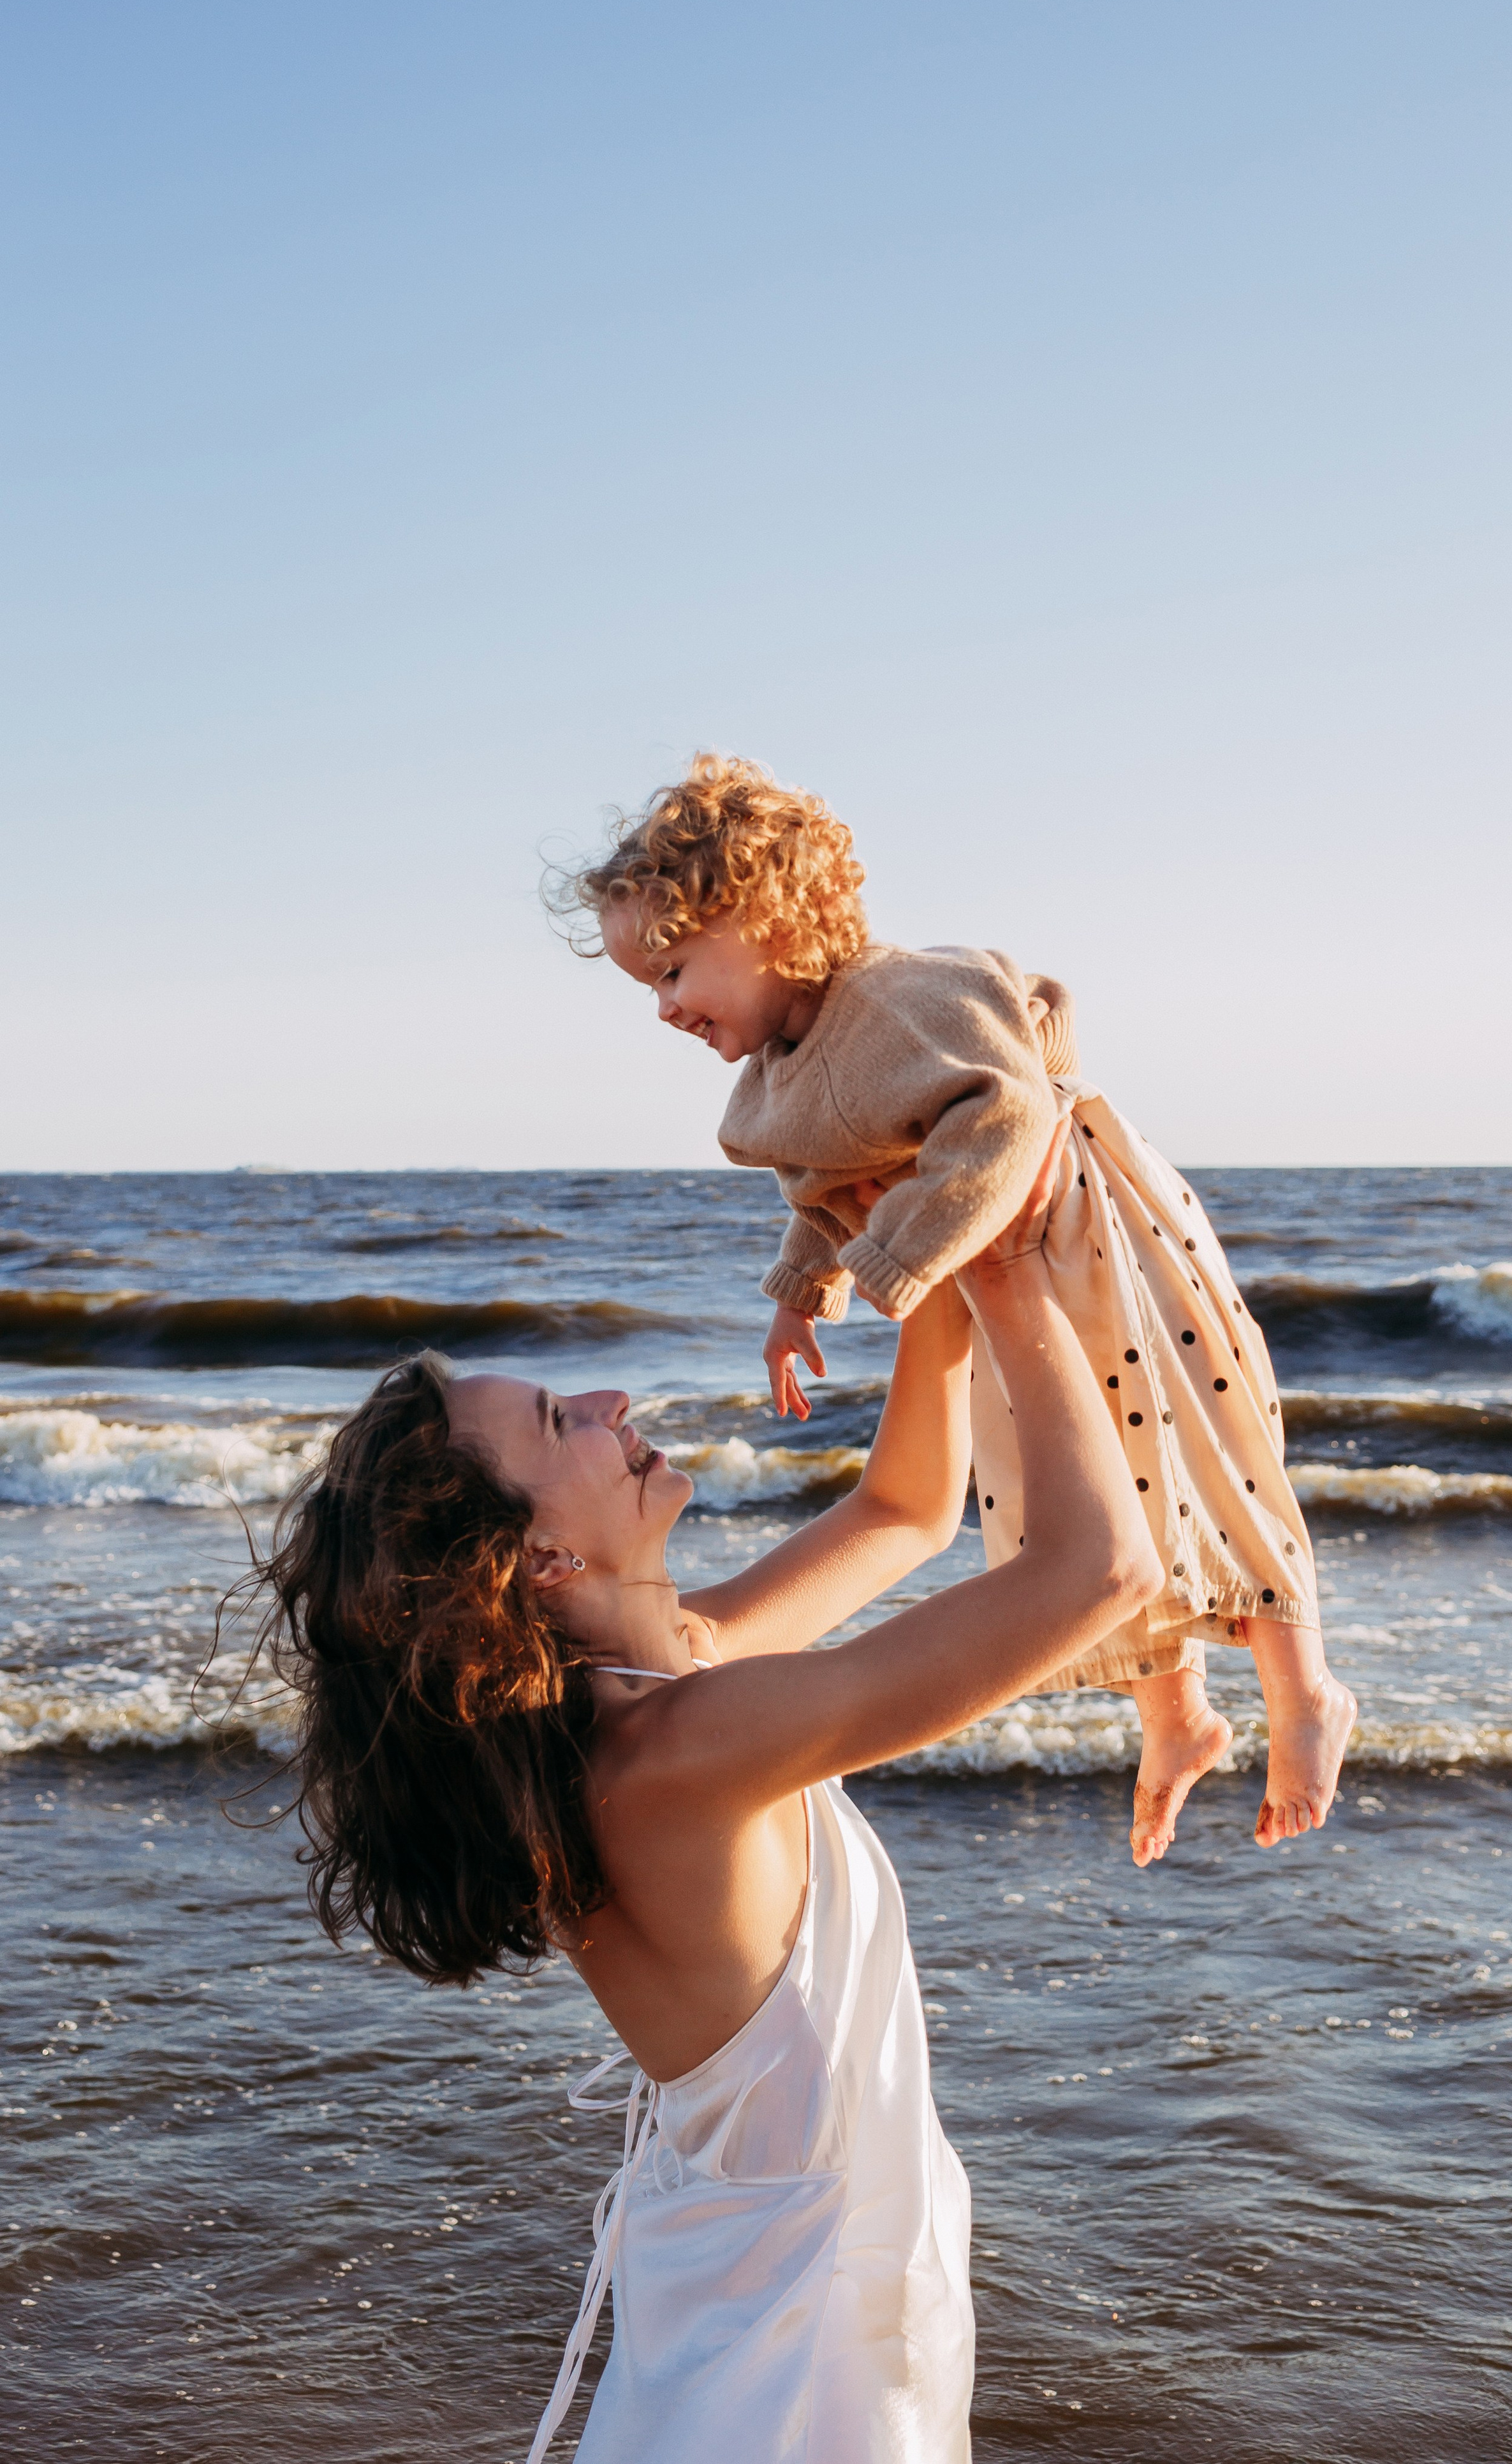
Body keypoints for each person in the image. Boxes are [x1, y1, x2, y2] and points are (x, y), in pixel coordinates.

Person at [237, 1129, 1160, 2463]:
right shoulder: (675, 1754)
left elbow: (904, 1510)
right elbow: (1096, 1576)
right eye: (561, 1421)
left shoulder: (674, 1686)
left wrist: (933, 1243)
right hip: (794, 2343)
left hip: (779, 2269)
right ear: (539, 1558)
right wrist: (1011, 1262)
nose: (611, 1399)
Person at [568, 752, 1358, 1866]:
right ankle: (1174, 1715)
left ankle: (1305, 1687)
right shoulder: (786, 1072)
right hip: (997, 1265)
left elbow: (1007, 1117)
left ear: (769, 922)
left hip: (1092, 1235)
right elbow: (833, 1184)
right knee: (1057, 1494)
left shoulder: (901, 999)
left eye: (675, 971)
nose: (663, 1011)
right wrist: (806, 1295)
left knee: (1199, 1451)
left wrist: (897, 1267)